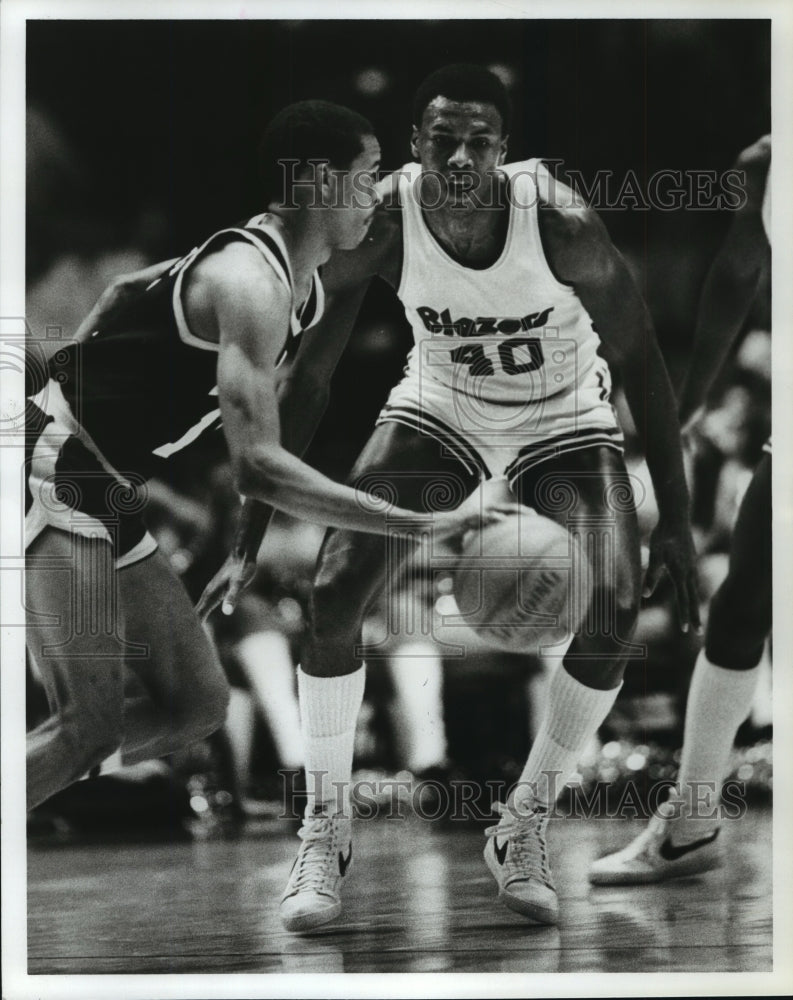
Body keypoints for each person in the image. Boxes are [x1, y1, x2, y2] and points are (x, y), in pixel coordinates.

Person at [24, 99, 510, 813]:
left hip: (104, 484)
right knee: (85, 726)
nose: (375, 197)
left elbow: (129, 289)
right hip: (50, 466)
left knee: (194, 705)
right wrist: (414, 526)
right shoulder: (251, 284)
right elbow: (258, 466)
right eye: (364, 175)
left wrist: (81, 362)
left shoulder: (299, 277)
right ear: (316, 183)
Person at [589, 135, 772, 885]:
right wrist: (693, 390)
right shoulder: (766, 160)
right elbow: (734, 272)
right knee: (742, 600)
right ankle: (692, 820)